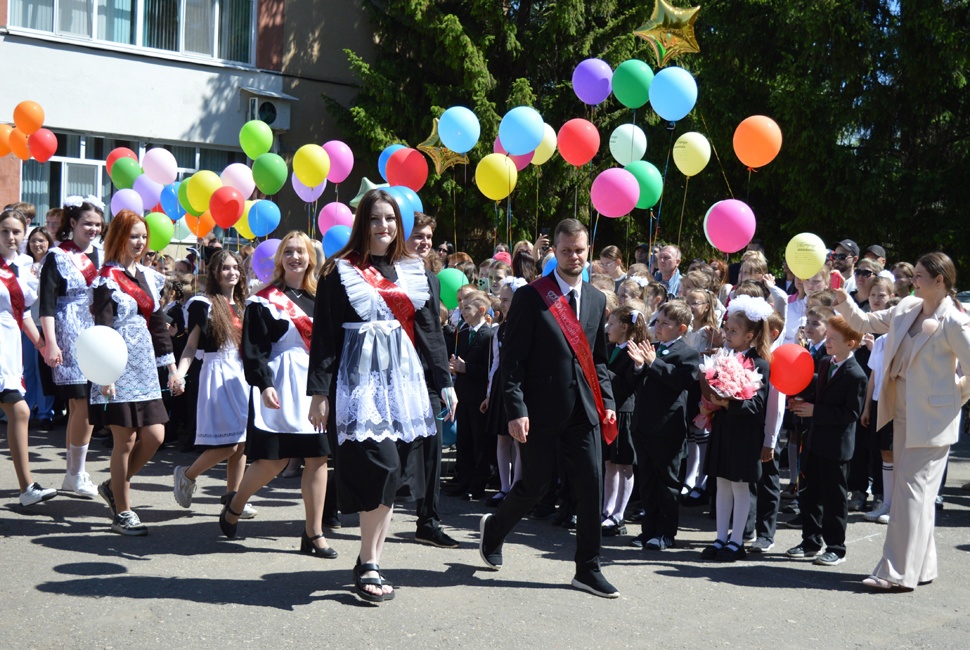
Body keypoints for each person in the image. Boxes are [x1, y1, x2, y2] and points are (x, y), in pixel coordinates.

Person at [307, 189, 456, 603]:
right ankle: (368, 560)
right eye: (375, 218)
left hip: (403, 386)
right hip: (359, 384)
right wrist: (318, 392)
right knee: (382, 465)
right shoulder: (339, 271)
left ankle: (369, 561)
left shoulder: (414, 271)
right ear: (363, 224)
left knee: (394, 472)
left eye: (390, 219)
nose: (383, 226)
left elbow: (430, 331)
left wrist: (444, 381)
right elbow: (325, 335)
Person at [479, 218, 620, 599]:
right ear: (554, 252)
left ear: (588, 250)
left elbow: (598, 360)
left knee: (591, 486)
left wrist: (607, 401)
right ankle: (494, 530)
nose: (574, 257)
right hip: (539, 410)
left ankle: (588, 569)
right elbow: (513, 360)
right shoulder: (531, 297)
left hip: (584, 411)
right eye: (566, 250)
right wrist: (515, 409)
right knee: (534, 485)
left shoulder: (597, 299)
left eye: (580, 250)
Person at [833, 252, 970, 591]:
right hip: (904, 413)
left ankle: (894, 572)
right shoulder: (907, 307)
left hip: (934, 421)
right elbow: (865, 323)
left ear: (940, 280)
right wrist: (842, 301)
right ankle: (921, 567)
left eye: (920, 275)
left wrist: (955, 395)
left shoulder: (955, 321)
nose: (912, 280)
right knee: (917, 495)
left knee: (909, 494)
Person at [213, 232, 335, 556]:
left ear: (310, 258)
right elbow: (253, 349)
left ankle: (313, 533)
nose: (295, 257)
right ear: (280, 258)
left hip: (313, 386)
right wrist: (264, 384)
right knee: (273, 460)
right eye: (289, 251)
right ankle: (235, 505)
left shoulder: (321, 299)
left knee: (318, 457)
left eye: (301, 251)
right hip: (279, 383)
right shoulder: (262, 300)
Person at [90, 210, 180, 535]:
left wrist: (172, 368)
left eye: (143, 236)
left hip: (144, 367)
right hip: (115, 366)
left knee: (155, 435)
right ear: (119, 237)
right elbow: (102, 328)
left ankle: (114, 486)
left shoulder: (149, 277)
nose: (140, 242)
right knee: (125, 440)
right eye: (133, 236)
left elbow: (158, 326)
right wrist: (105, 374)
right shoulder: (106, 279)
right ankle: (123, 512)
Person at [170, 250, 252, 515]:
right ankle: (187, 474)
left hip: (241, 374)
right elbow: (190, 346)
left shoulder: (245, 305)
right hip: (216, 372)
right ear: (215, 272)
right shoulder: (202, 304)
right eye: (225, 268)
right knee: (228, 444)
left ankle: (233, 497)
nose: (232, 272)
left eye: (236, 267)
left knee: (242, 442)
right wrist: (179, 373)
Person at [786, 316, 867, 566]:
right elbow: (818, 393)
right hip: (814, 440)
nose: (827, 342)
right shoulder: (824, 363)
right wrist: (802, 401)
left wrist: (815, 411)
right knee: (809, 494)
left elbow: (851, 413)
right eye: (828, 337)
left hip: (836, 447)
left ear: (851, 343)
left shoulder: (856, 374)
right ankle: (810, 541)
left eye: (833, 339)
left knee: (834, 498)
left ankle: (836, 547)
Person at [39, 197, 104, 499]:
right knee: (82, 403)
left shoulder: (100, 255)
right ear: (74, 223)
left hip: (94, 332)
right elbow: (47, 304)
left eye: (98, 224)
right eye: (88, 223)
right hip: (68, 331)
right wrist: (50, 343)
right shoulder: (57, 256)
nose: (93, 229)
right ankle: (75, 474)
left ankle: (73, 473)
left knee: (82, 406)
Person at [700, 295, 772, 562]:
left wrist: (728, 403)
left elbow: (757, 405)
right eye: (727, 329)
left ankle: (737, 540)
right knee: (721, 483)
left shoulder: (760, 363)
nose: (727, 334)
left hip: (745, 433)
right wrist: (709, 404)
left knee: (740, 487)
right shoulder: (724, 357)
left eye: (733, 331)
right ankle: (721, 537)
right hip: (723, 428)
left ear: (750, 335)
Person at [405, 212, 460, 548]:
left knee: (431, 448)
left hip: (424, 376)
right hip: (389, 374)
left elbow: (434, 335)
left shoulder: (430, 279)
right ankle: (333, 504)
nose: (425, 242)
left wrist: (444, 383)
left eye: (428, 236)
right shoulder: (382, 275)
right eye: (418, 236)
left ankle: (428, 521)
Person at [626, 301, 700, 550]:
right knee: (647, 481)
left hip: (667, 428)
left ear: (681, 328)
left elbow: (681, 381)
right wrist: (639, 365)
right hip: (644, 425)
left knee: (667, 482)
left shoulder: (687, 353)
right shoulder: (653, 348)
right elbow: (635, 382)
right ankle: (648, 531)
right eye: (657, 321)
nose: (658, 327)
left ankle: (666, 532)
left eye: (665, 323)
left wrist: (653, 363)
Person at [0, 208, 57, 506]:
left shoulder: (22, 269)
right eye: (5, 231)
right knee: (20, 412)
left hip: (9, 349)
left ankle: (26, 488)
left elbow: (22, 315)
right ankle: (26, 487)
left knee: (19, 412)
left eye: (16, 232)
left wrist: (43, 346)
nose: (11, 237)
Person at [600, 304, 646, 538]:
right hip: (608, 412)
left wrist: (601, 373)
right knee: (609, 462)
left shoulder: (633, 352)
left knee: (624, 464)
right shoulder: (609, 348)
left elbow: (628, 385)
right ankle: (607, 509)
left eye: (612, 324)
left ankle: (619, 514)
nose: (607, 328)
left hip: (624, 413)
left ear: (625, 327)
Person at [481, 278, 526, 508]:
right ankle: (504, 487)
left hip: (519, 385)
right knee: (502, 437)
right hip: (501, 385)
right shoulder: (500, 330)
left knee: (518, 440)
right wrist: (490, 394)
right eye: (503, 300)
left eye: (507, 300)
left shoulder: (527, 325)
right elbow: (495, 363)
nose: (503, 304)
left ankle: (517, 487)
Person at [448, 290, 494, 500]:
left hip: (479, 396)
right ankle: (464, 480)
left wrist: (466, 368)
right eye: (462, 308)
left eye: (467, 308)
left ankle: (478, 483)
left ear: (481, 310)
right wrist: (455, 367)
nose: (463, 312)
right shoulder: (463, 332)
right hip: (464, 394)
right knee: (464, 439)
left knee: (479, 441)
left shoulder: (489, 335)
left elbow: (490, 368)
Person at [23, 226, 56, 430]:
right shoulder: (23, 264)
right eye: (33, 240)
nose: (37, 244)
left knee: (44, 370)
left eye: (41, 240)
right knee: (28, 370)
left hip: (46, 323)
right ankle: (26, 410)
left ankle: (45, 413)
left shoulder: (53, 263)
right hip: (27, 323)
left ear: (48, 242)